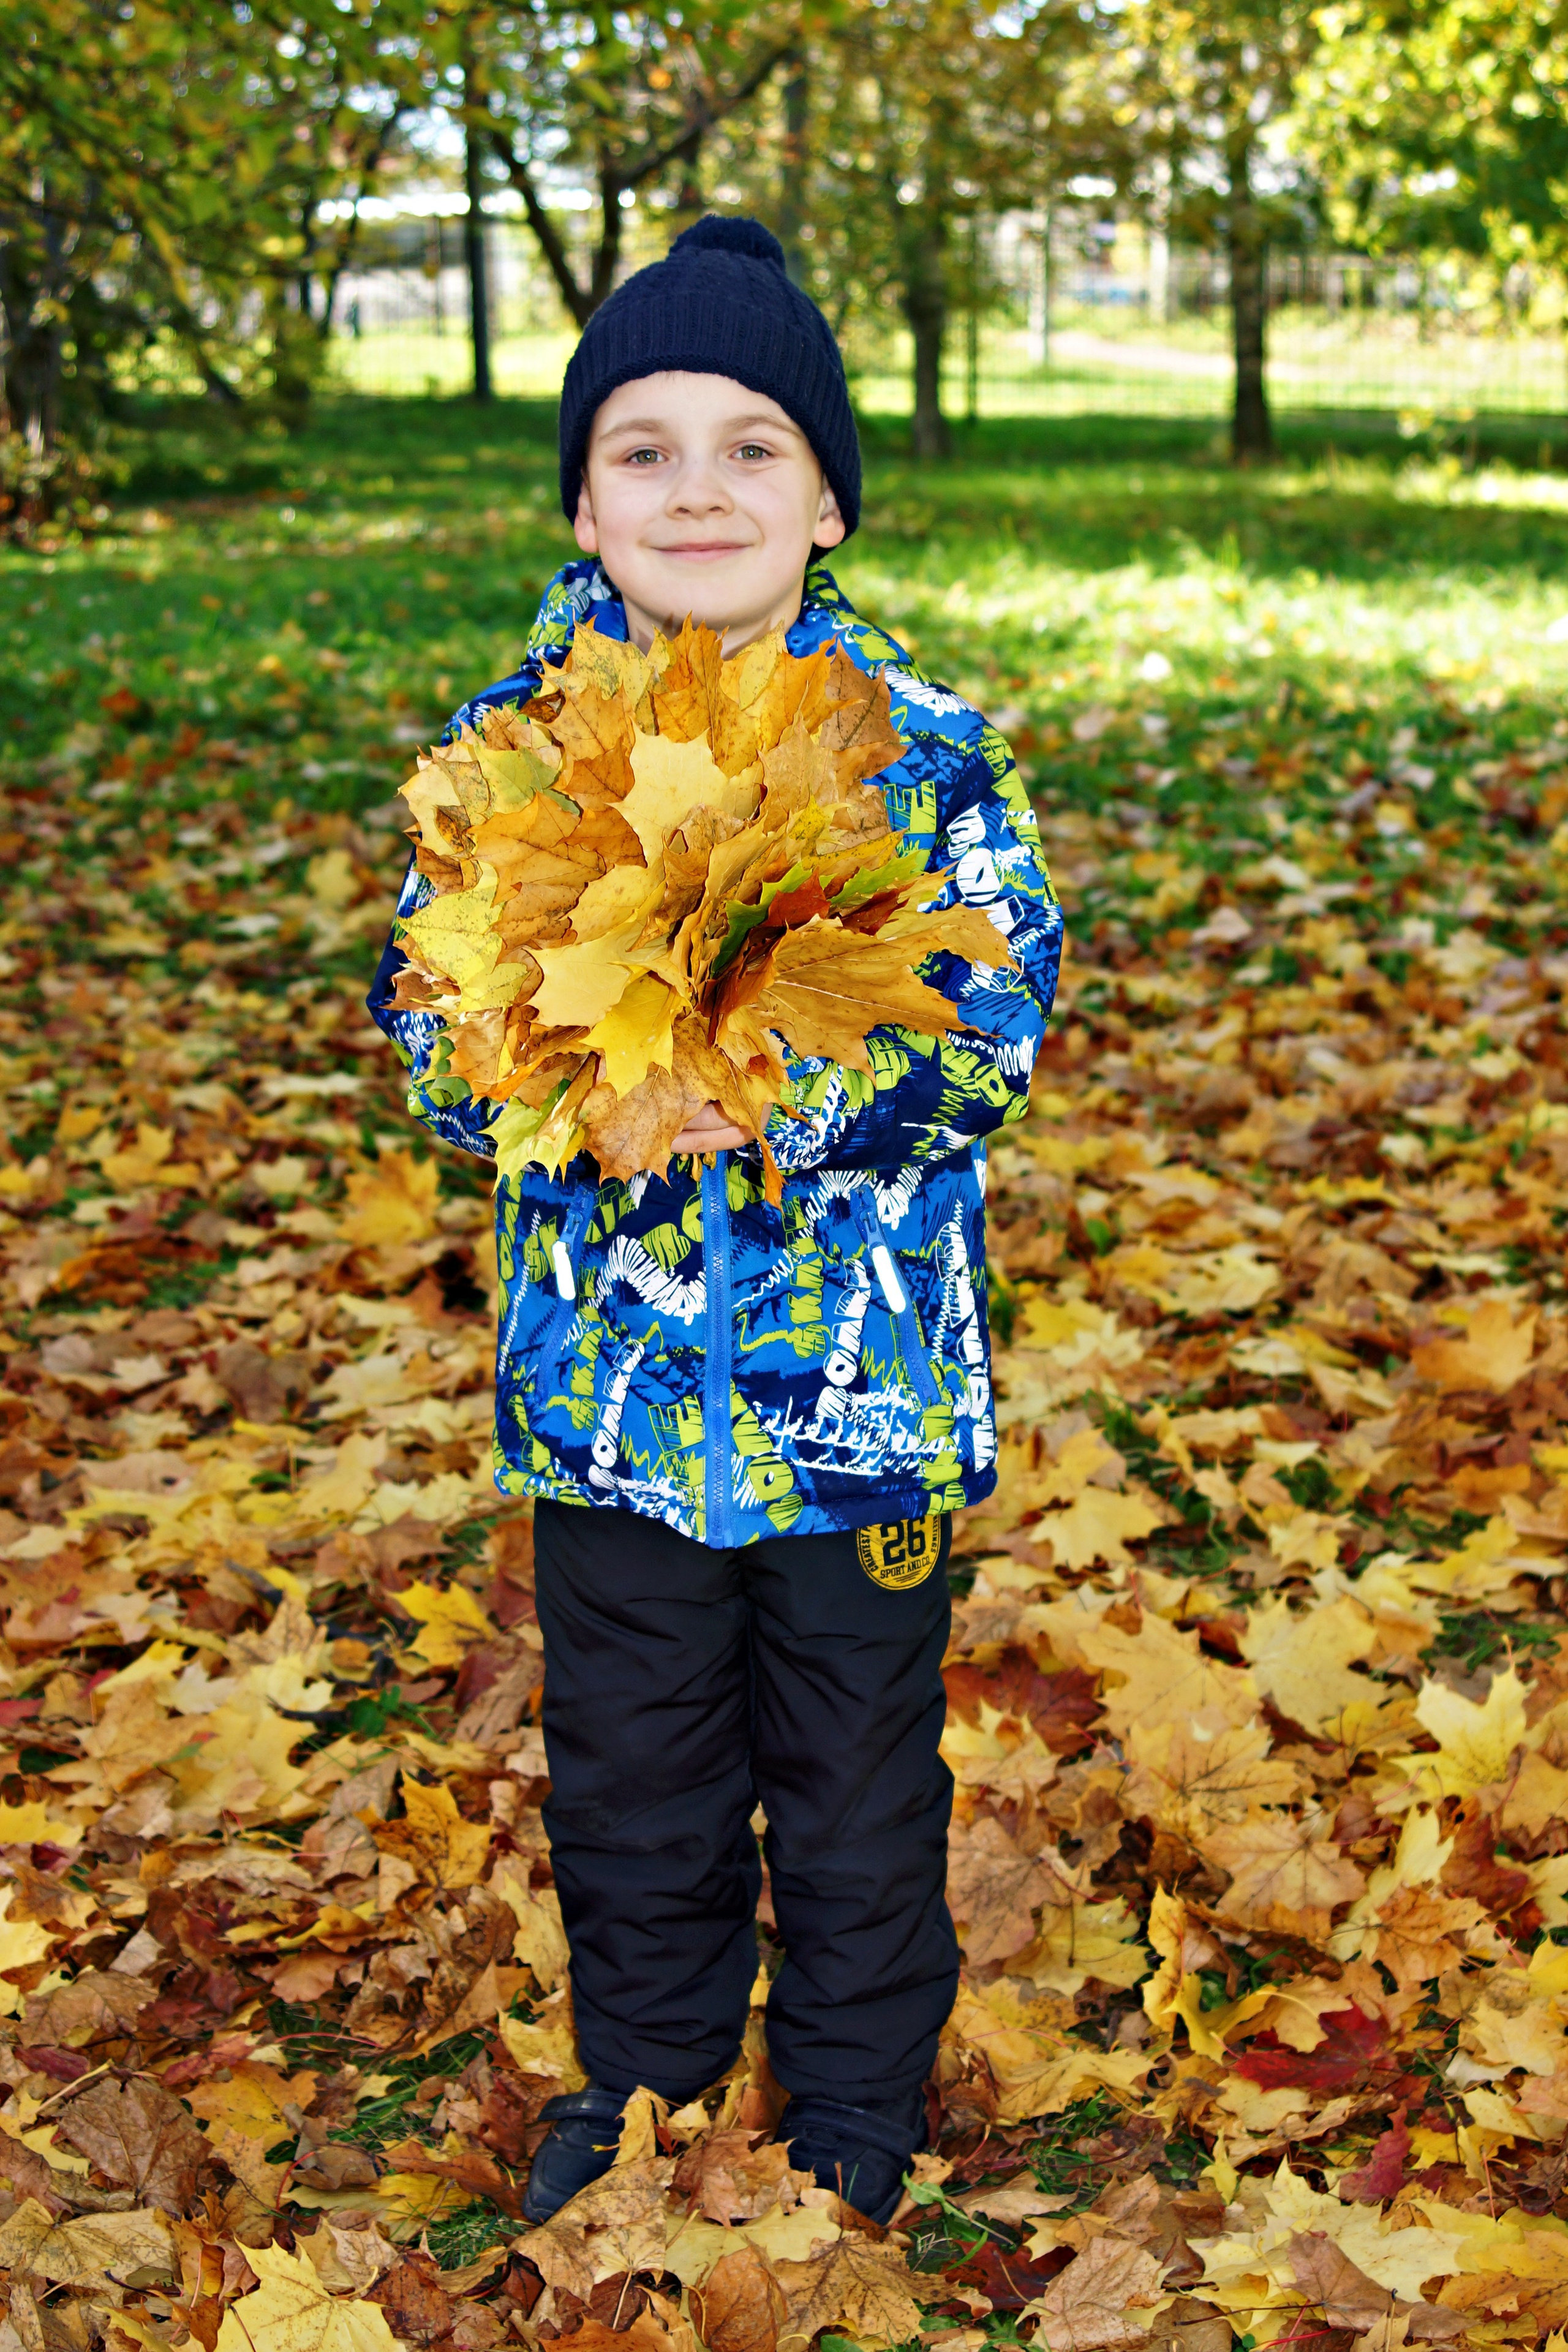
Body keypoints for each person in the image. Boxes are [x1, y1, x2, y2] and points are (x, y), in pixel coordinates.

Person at [369, 213, 1062, 2226]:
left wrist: (771, 1093)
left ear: (827, 499)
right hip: (611, 1414)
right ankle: (648, 2091)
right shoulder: (510, 756)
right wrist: (575, 1098)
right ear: (584, 503)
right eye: (645, 449)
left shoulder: (925, 754)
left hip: (865, 1411)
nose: (699, 490)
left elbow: (993, 1022)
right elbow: (431, 1018)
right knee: (635, 1775)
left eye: (754, 446)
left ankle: (852, 2103)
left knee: (856, 1775)